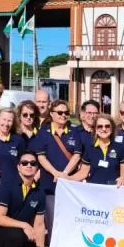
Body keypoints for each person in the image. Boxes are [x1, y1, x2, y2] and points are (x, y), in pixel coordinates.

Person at [31, 99, 84, 233]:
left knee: (70, 221)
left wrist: (64, 174)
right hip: (50, 185)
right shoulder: (43, 132)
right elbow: (41, 157)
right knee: (53, 221)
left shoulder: (74, 131)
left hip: (70, 184)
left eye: (66, 113)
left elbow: (77, 155)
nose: (63, 115)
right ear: (52, 114)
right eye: (60, 112)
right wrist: (55, 173)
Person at [74, 114, 124, 185]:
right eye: (100, 126)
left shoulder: (119, 148)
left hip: (113, 189)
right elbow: (83, 173)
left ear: (112, 129)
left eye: (107, 126)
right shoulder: (89, 148)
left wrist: (123, 178)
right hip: (94, 189)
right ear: (96, 130)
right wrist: (67, 178)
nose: (104, 129)